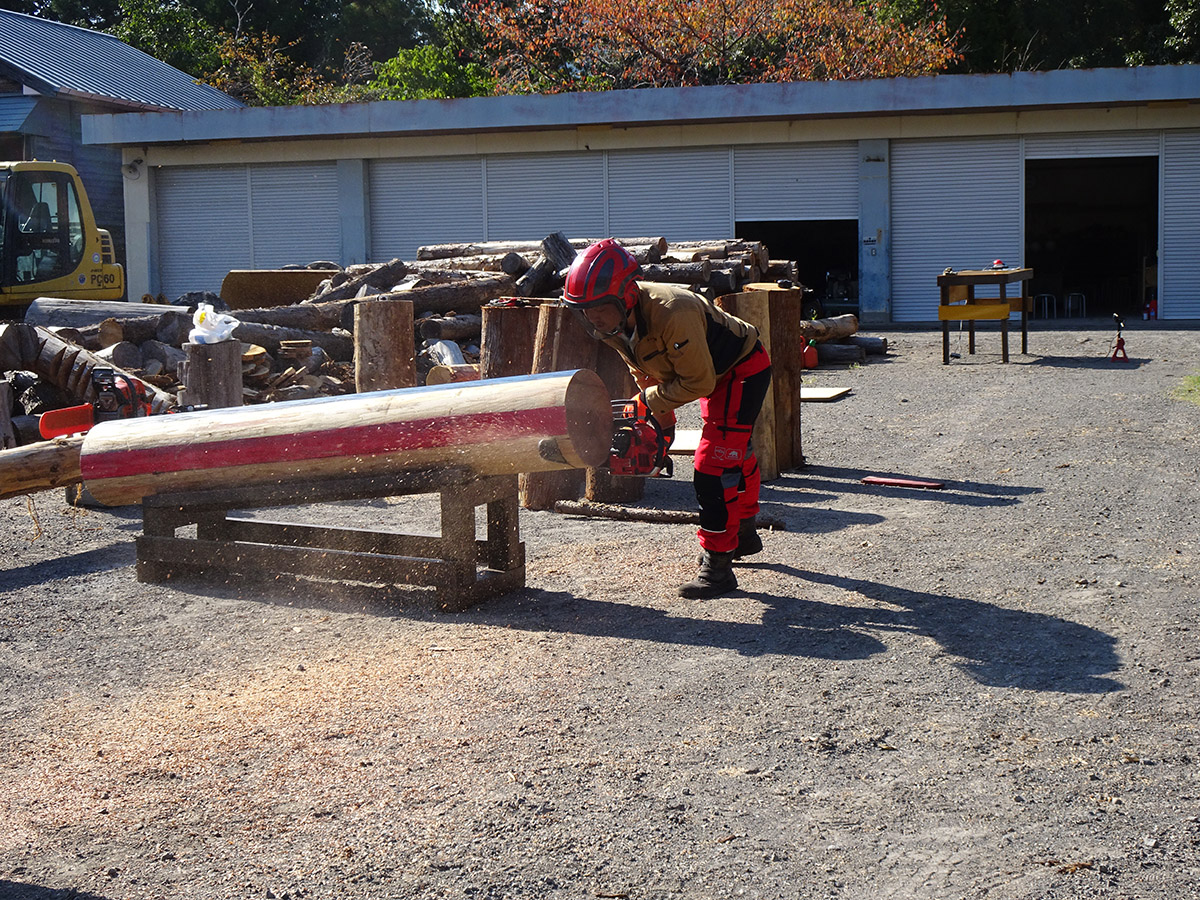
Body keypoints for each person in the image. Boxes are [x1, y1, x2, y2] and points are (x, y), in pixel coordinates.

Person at [562, 239, 772, 599]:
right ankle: (745, 532)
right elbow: (641, 367)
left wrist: (646, 402)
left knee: (713, 467)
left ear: (626, 297)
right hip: (708, 373)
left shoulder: (673, 312)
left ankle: (718, 567)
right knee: (734, 451)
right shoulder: (611, 326)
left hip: (741, 370)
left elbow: (699, 381)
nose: (592, 319)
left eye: (598, 308)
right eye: (584, 311)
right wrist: (662, 420)